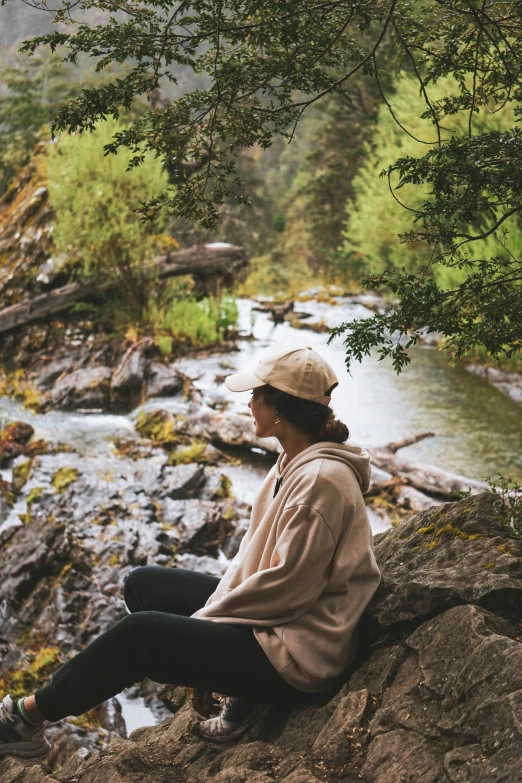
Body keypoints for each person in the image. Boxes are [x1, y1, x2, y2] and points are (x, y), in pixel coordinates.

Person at [0, 344, 381, 755]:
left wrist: (206, 630)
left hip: (299, 652)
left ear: (281, 407)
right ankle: (242, 689)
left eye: (257, 394)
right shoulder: (291, 461)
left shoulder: (320, 480)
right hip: (277, 623)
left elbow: (287, 587)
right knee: (143, 585)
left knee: (141, 635)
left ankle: (24, 721)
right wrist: (206, 634)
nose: (249, 402)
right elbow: (252, 561)